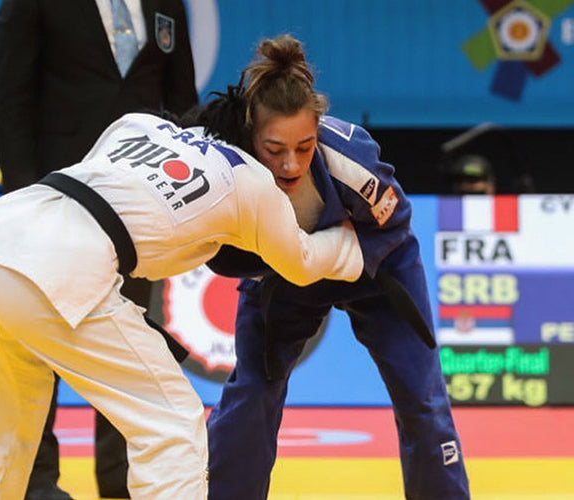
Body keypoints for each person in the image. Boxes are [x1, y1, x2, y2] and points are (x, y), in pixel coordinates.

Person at [0, 112, 364, 500]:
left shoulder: (137, 123)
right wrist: (353, 242)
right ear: (256, 143)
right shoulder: (251, 178)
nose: (288, 167)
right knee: (172, 425)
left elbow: (105, 192)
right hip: (55, 267)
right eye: (277, 151)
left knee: (1, 437)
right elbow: (302, 262)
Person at [183, 35, 470, 499]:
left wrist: (325, 253)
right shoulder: (226, 169)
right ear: (251, 135)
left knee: (424, 400)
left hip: (379, 273)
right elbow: (217, 253)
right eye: (274, 149)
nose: (291, 163)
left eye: (304, 145)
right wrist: (283, 261)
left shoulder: (349, 159)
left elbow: (394, 223)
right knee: (253, 391)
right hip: (285, 275)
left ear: (318, 131)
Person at [0, 1, 199, 496]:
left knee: (128, 343)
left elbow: (181, 99)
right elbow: (10, 95)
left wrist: (187, 194)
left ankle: (120, 479)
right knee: (37, 341)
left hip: (139, 204)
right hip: (54, 196)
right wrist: (23, 197)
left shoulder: (167, 1)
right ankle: (37, 482)